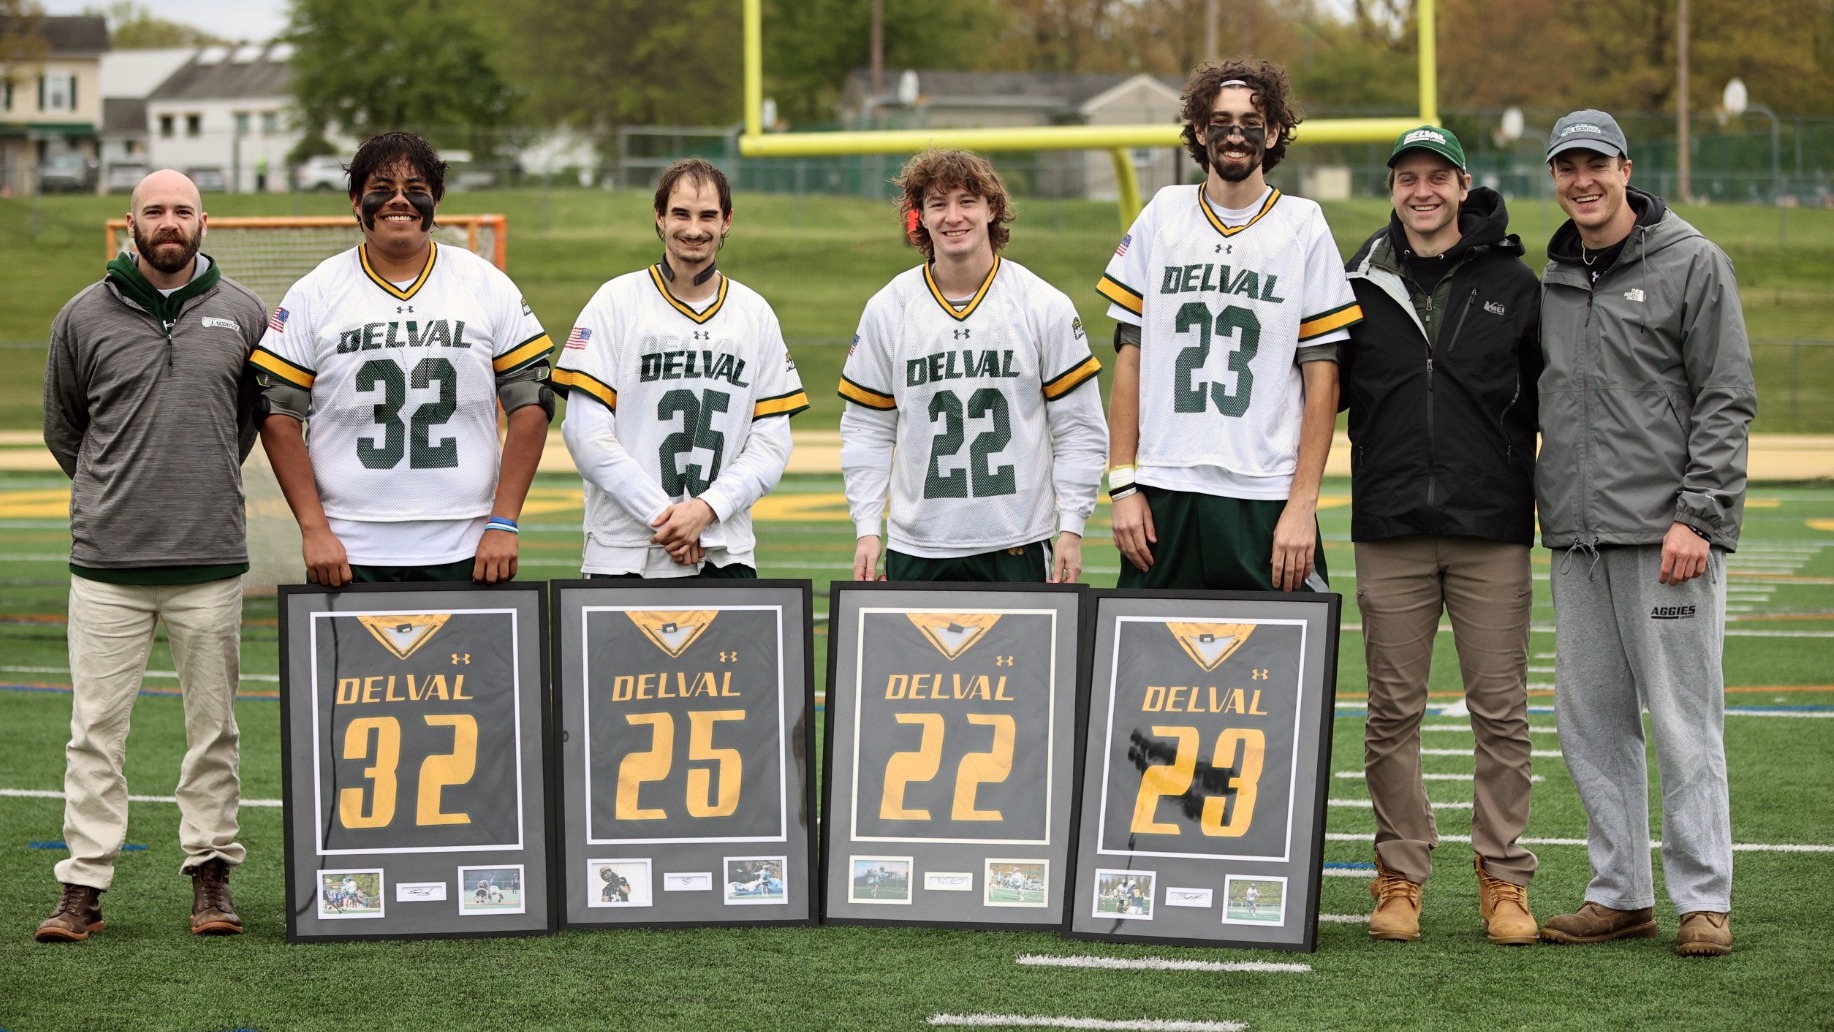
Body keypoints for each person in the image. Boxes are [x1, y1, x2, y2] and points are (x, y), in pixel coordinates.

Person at [1533, 111, 1756, 958]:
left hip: (1668, 539)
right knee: (1591, 724)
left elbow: (1726, 396)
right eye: (1567, 167)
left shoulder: (1693, 261)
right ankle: (1620, 892)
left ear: (1626, 168)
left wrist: (1699, 515)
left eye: (1595, 164)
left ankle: (1704, 899)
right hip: (1578, 537)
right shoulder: (1554, 274)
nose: (1581, 180)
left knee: (1683, 722)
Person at [37, 168, 265, 941]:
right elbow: (65, 428)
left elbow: (246, 422)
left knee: (215, 731)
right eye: (155, 210)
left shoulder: (243, 313)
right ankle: (84, 886)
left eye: (183, 210)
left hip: (210, 561)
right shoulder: (81, 315)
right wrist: (115, 495)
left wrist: (196, 485)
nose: (170, 221)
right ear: (129, 223)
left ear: (205, 222)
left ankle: (211, 876)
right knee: (94, 733)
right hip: (108, 564)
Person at [1340, 125, 1543, 945]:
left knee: (1501, 712)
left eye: (1437, 177)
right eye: (1407, 178)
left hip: (1490, 523)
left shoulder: (1514, 283)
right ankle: (1400, 873)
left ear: (1463, 186)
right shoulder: (1357, 278)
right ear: (1392, 189)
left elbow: (1554, 398)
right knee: (1391, 711)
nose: (1421, 191)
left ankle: (1504, 876)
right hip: (1389, 521)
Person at [1099, 58, 1361, 591]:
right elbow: (1130, 359)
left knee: (1279, 644)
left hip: (1263, 490)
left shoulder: (1303, 225)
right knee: (1148, 644)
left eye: (1251, 121)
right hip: (1165, 485)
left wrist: (1302, 504)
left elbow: (1323, 381)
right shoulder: (1164, 214)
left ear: (1274, 132)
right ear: (1200, 130)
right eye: (1221, 121)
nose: (1235, 134)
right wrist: (1123, 485)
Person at [251, 131, 553, 585]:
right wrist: (314, 529)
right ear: (356, 201)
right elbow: (276, 412)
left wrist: (504, 521)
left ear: (436, 201)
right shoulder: (316, 291)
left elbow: (531, 402)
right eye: (382, 188)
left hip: (467, 542)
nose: (399, 201)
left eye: (415, 189)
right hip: (348, 545)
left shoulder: (483, 283)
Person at [841, 149, 1106, 583]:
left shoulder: (1042, 304)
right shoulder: (889, 309)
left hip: (1016, 541)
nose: (953, 217)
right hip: (919, 546)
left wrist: (1072, 526)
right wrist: (867, 529)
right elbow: (867, 429)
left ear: (992, 208)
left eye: (967, 201)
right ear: (920, 216)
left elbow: (1078, 427)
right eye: (938, 204)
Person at [554, 158, 808, 578]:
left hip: (723, 551)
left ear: (727, 221)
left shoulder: (755, 314)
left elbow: (771, 444)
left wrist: (707, 509)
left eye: (707, 215)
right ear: (660, 216)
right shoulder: (614, 302)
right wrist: (668, 518)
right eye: (681, 214)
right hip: (624, 553)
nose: (693, 229)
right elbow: (585, 434)